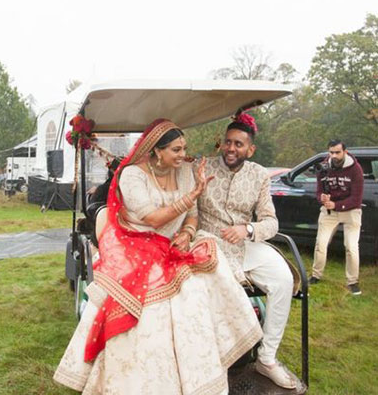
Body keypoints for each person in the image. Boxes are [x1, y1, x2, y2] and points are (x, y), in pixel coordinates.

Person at [53, 118, 263, 394]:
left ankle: (203, 373)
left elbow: (193, 215)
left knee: (199, 289)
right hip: (138, 244)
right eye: (176, 150)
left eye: (183, 148)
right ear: (156, 151)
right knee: (152, 308)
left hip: (175, 244)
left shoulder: (185, 169)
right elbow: (152, 219)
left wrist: (187, 234)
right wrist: (193, 195)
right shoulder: (132, 175)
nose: (182, 154)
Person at [196, 113, 297, 389]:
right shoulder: (202, 168)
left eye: (239, 144)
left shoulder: (259, 175)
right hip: (209, 244)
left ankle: (266, 358)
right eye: (228, 142)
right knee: (221, 288)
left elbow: (271, 222)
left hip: (244, 244)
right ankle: (214, 363)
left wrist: (247, 230)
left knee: (283, 280)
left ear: (250, 149)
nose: (231, 148)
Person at [309, 139, 364, 295]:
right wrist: (323, 199)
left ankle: (353, 282)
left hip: (351, 210)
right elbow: (319, 191)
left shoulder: (355, 169)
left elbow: (357, 199)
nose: (334, 155)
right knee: (320, 243)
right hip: (329, 212)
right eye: (331, 152)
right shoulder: (324, 167)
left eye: (337, 152)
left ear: (345, 152)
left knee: (351, 247)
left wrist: (337, 205)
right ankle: (316, 275)